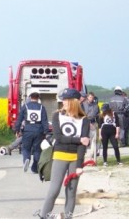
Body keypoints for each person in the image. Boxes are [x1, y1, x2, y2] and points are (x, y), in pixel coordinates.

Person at [39, 88, 90, 219]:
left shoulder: (84, 120)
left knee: (71, 192)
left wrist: (79, 166)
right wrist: (78, 139)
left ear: (74, 102)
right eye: (63, 100)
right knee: (54, 190)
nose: (63, 102)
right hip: (60, 155)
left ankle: (68, 217)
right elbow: (59, 137)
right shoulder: (57, 115)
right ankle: (44, 216)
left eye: (66, 100)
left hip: (75, 158)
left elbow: (83, 146)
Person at [13, 92, 48, 173]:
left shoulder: (25, 106)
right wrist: (46, 132)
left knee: (26, 148)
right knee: (37, 150)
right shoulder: (42, 107)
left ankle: (26, 159)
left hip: (28, 130)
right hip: (39, 131)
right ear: (38, 98)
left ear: (30, 97)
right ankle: (34, 168)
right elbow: (44, 121)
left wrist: (16, 130)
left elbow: (19, 119)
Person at [82, 92, 100, 160]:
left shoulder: (96, 105)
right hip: (85, 123)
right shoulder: (83, 104)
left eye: (92, 98)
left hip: (93, 123)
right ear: (87, 97)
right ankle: (83, 155)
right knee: (86, 139)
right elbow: (82, 115)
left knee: (94, 140)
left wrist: (99, 125)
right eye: (90, 97)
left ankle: (92, 156)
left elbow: (98, 115)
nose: (91, 99)